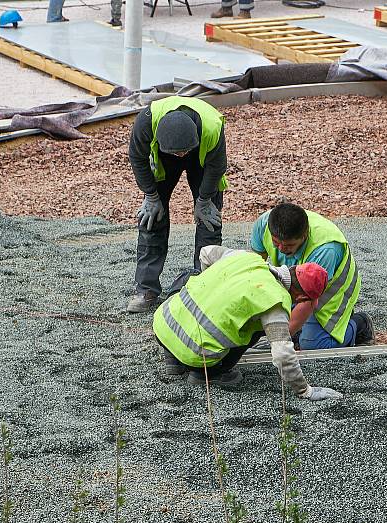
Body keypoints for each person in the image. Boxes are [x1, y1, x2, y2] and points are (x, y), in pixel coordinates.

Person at [153, 245, 343, 401]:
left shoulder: (247, 258)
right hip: (198, 358)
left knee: (191, 276)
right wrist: (305, 391)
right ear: (301, 296)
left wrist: (212, 288)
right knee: (256, 328)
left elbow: (206, 252)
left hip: (162, 327)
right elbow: (283, 355)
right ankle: (205, 374)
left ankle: (173, 358)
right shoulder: (274, 300)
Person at [127, 96, 227, 313]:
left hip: (201, 157)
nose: (181, 156)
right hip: (163, 158)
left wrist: (204, 200)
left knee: (209, 221)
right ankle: (146, 289)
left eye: (183, 153)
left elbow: (217, 166)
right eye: (177, 153)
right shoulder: (145, 123)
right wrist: (151, 196)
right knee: (152, 218)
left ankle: (204, 287)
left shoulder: (211, 127)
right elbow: (138, 158)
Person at [250, 202, 373, 350]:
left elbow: (308, 302)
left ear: (304, 235)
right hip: (296, 283)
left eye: (289, 246)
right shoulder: (264, 225)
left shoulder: (325, 250)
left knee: (313, 345)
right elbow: (255, 270)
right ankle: (298, 330)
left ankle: (359, 325)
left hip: (331, 291)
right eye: (276, 243)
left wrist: (277, 340)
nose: (281, 249)